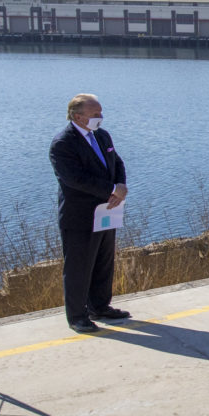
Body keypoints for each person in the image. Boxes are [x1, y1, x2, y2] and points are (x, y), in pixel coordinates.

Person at [49, 93, 129, 333]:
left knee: (103, 262)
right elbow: (74, 179)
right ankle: (77, 316)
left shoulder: (102, 136)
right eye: (95, 114)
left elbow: (118, 163)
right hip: (80, 216)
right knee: (78, 267)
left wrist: (120, 188)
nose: (100, 118)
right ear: (77, 116)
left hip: (107, 210)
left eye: (101, 113)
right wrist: (111, 189)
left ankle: (100, 306)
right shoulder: (63, 143)